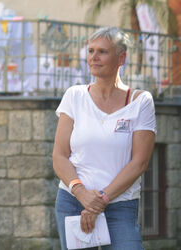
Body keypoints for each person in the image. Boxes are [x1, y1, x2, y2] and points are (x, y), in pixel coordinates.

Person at [52, 27, 156, 249]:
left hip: (120, 205)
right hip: (73, 202)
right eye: (90, 51)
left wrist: (100, 201)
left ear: (121, 58)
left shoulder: (141, 102)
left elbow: (139, 163)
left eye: (102, 52)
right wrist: (81, 193)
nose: (93, 57)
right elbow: (60, 156)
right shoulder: (74, 96)